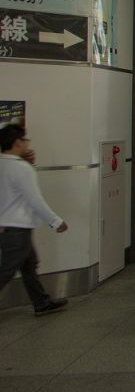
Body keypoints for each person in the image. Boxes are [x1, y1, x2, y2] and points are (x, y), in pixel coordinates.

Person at [0, 125, 70, 316]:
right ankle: (41, 302)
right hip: (18, 228)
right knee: (6, 271)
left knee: (29, 265)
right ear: (17, 143)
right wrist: (55, 221)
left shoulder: (4, 163)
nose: (26, 144)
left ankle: (41, 302)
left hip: (7, 227)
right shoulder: (20, 168)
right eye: (24, 141)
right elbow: (34, 199)